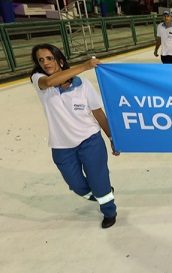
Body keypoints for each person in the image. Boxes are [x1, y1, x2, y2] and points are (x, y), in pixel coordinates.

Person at [29, 44, 119, 229]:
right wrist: (86, 65)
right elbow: (49, 82)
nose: (45, 63)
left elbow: (98, 113)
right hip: (62, 146)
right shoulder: (40, 80)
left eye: (50, 58)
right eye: (41, 60)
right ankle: (100, 193)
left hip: (90, 140)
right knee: (77, 186)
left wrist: (112, 138)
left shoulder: (83, 84)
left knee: (98, 180)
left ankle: (109, 210)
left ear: (60, 60)